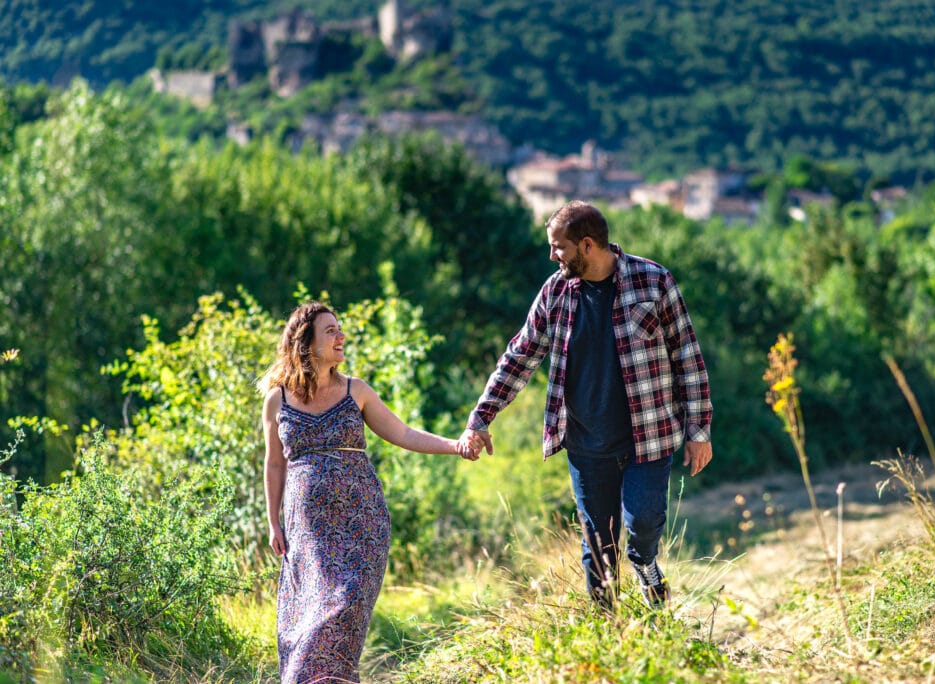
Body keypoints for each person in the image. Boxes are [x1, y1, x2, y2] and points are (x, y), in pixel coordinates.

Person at [458, 200, 712, 609]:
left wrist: (699, 431)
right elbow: (520, 357)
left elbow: (688, 358)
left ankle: (646, 565)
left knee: (643, 523)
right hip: (586, 443)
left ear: (588, 245)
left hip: (647, 437)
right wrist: (481, 417)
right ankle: (604, 632)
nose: (552, 255)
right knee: (598, 545)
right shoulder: (556, 291)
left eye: (558, 247)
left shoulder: (654, 281)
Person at [260, 301, 481, 684]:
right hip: (308, 532)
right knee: (311, 613)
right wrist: (272, 522)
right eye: (330, 330)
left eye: (339, 329)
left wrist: (456, 444)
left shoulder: (355, 391)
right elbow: (274, 463)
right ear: (305, 342)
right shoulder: (277, 400)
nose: (340, 336)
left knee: (346, 606)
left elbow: (404, 433)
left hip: (363, 523)